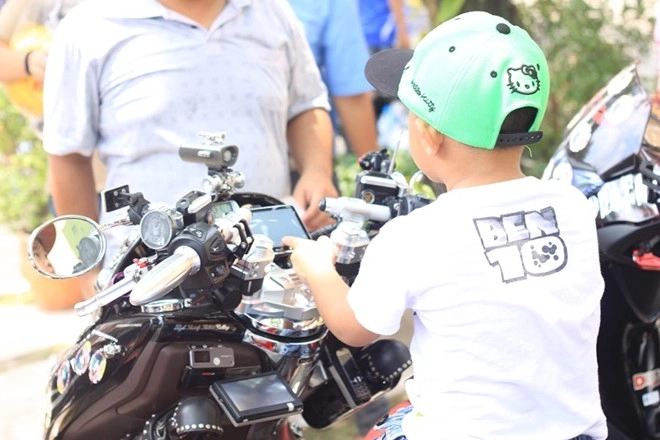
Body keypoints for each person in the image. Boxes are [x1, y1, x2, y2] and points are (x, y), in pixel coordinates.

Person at [283, 11, 607, 440]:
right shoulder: (573, 206)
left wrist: (317, 267)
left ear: (429, 135)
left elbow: (354, 328)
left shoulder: (417, 235)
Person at [42, 0, 338, 265]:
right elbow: (68, 153)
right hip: (146, 276)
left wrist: (316, 170)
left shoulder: (270, 11)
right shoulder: (89, 27)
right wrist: (86, 274)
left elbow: (305, 105)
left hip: (267, 263)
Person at [287, 0, 378, 157]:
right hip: (304, 159)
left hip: (307, 164)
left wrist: (375, 173)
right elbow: (351, 91)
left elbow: (351, 91)